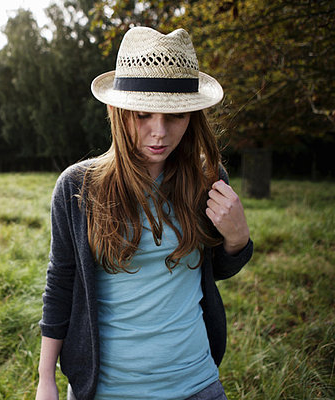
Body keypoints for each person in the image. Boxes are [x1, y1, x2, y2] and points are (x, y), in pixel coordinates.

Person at [36, 27, 253, 400]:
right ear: (117, 112)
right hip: (104, 390)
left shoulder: (208, 179)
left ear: (193, 116)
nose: (159, 133)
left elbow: (213, 270)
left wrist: (238, 239)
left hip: (196, 384)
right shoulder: (77, 187)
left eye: (175, 117)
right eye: (142, 115)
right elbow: (61, 283)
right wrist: (46, 380)